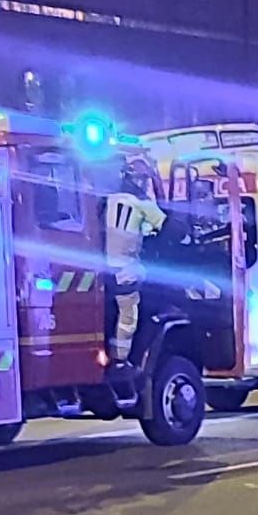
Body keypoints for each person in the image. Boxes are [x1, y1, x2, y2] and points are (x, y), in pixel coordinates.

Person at [104, 154, 167, 370]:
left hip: (103, 269)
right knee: (129, 314)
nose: (142, 183)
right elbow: (166, 227)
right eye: (143, 179)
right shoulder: (142, 203)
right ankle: (121, 358)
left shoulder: (110, 199)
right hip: (125, 269)